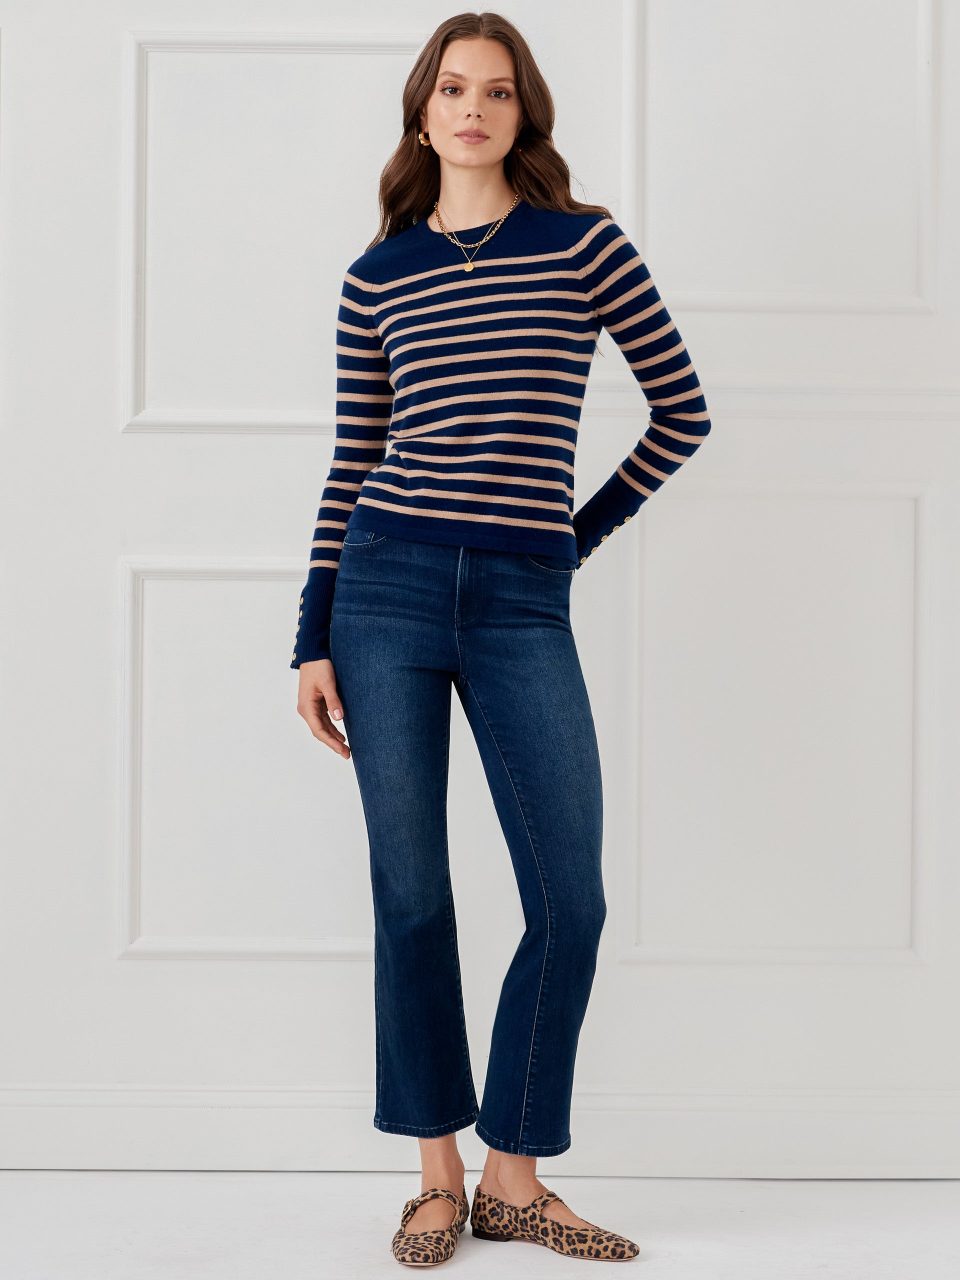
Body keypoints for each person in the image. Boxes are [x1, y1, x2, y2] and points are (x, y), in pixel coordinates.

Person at [291, 12, 711, 1267]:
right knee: (411, 892)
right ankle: (435, 1175)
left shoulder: (583, 245)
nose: (473, 109)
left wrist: (569, 537)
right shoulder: (377, 276)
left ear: (525, 112)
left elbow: (681, 411)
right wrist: (311, 635)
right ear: (421, 113)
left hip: (524, 601)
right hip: (385, 591)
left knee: (570, 898)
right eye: (453, 89)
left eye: (499, 91)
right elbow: (353, 461)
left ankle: (514, 1177)